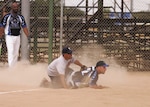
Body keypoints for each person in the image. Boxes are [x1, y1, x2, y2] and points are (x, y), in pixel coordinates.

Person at [0, 1, 29, 67]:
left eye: (17, 7)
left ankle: (14, 66)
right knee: (11, 52)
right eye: (14, 7)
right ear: (12, 8)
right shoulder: (7, 17)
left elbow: (24, 27)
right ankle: (11, 67)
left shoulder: (20, 17)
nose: (16, 8)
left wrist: (28, 36)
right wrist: (0, 35)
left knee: (16, 53)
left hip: (17, 36)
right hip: (9, 36)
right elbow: (2, 27)